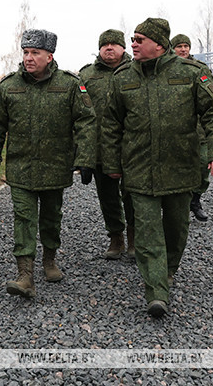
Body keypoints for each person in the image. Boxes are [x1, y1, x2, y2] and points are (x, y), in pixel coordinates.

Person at [102, 18, 213, 318]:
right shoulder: (122, 77)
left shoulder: (191, 74)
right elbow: (110, 124)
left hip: (180, 166)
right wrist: (111, 163)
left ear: (159, 44)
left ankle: (169, 268)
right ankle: (156, 290)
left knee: (176, 228)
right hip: (139, 168)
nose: (132, 44)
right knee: (147, 231)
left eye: (138, 39)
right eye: (132, 39)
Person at [0, 29, 95, 298]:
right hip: (21, 167)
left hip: (56, 166)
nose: (29, 58)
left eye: (35, 53)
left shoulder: (69, 85)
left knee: (51, 217)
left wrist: (86, 158)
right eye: (25, 52)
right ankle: (25, 275)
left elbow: (86, 122)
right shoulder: (9, 86)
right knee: (23, 218)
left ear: (49, 56)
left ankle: (49, 259)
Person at [79, 29, 135, 259]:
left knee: (132, 196)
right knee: (107, 197)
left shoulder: (136, 71)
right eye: (105, 45)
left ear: (123, 48)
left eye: (114, 44)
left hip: (132, 148)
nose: (109, 48)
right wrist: (82, 155)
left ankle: (134, 240)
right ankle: (116, 239)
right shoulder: (86, 75)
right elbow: (79, 114)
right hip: (100, 149)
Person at [170, 33, 213, 222]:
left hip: (199, 129)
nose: (183, 49)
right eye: (179, 46)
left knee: (203, 165)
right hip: (175, 130)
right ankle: (178, 207)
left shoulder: (200, 69)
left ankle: (195, 200)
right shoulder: (167, 70)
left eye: (186, 46)